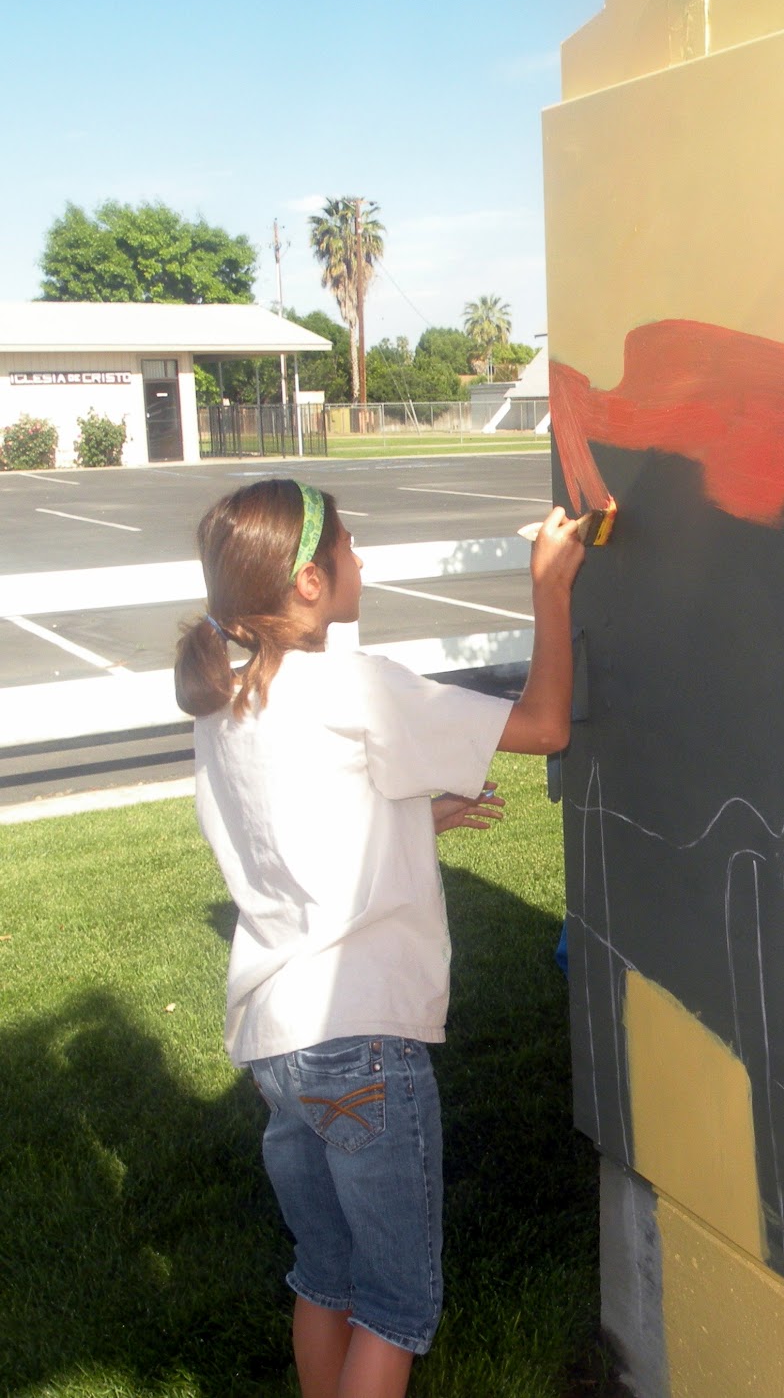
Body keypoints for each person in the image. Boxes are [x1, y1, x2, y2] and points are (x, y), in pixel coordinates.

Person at [174, 478, 585, 1397]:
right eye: (350, 544)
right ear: (309, 583)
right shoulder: (355, 684)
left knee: (325, 1273)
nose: (361, 556)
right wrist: (551, 587)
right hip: (362, 1040)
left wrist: (413, 821)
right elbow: (548, 722)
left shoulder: (229, 702)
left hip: (279, 1045)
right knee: (397, 1306)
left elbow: (294, 831)